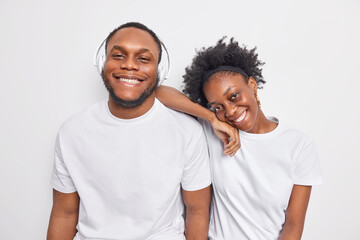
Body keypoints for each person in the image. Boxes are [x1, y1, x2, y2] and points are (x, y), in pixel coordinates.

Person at [47, 22, 213, 240]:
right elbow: (64, 214)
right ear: (102, 63)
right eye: (118, 55)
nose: (129, 65)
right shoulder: (71, 132)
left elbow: (198, 212)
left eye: (143, 59)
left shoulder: (187, 132)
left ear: (160, 71)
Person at [156, 37, 323, 239]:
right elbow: (156, 93)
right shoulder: (212, 132)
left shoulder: (299, 145)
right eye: (218, 106)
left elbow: (293, 225)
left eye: (233, 96)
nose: (231, 111)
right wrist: (211, 117)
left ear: (252, 85)